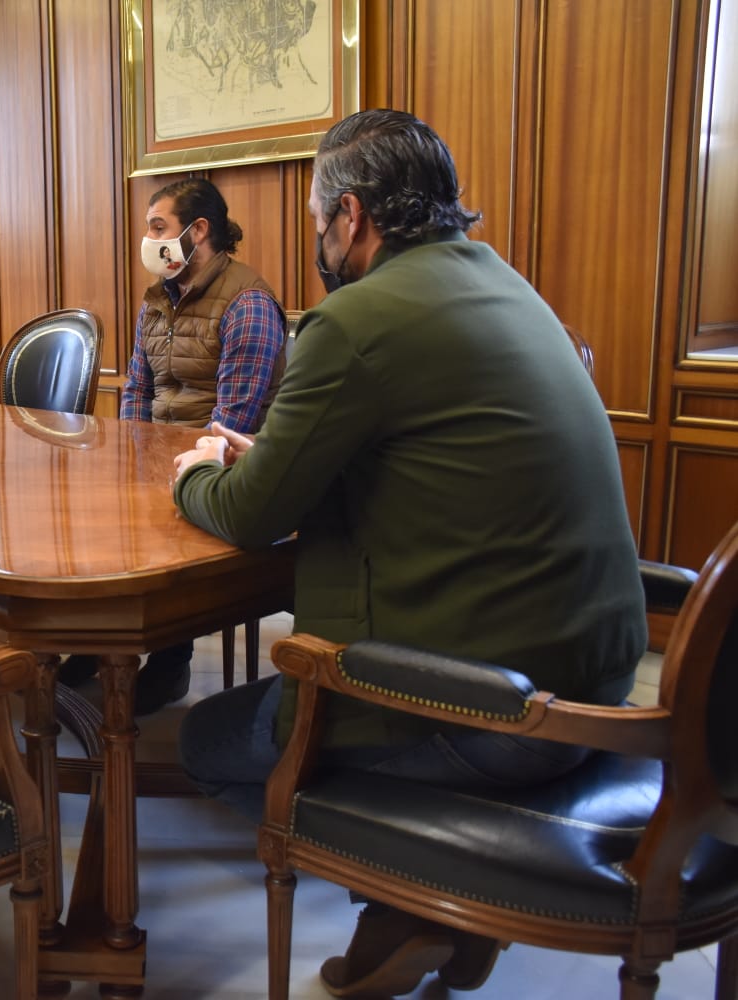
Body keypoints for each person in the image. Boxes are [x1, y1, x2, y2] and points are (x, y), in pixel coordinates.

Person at [171, 110, 646, 997]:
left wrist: (197, 473)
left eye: (319, 222)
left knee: (202, 741)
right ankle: (435, 891)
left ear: (352, 217)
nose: (320, 240)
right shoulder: (509, 286)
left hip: (493, 714)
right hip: (603, 679)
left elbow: (246, 512)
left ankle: (411, 893)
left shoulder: (354, 321)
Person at [64, 177, 288, 715]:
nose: (148, 238)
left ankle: (170, 659)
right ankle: (99, 642)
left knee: (160, 516)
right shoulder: (156, 299)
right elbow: (138, 389)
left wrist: (172, 472)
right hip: (155, 454)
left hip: (218, 466)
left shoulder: (248, 302)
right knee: (95, 511)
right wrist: (126, 459)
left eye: (158, 227)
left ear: (198, 231)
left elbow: (233, 423)